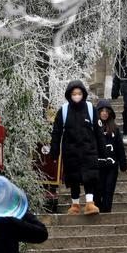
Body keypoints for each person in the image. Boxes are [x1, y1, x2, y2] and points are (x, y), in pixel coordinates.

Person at [50, 80, 109, 215]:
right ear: (69, 95)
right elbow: (56, 132)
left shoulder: (90, 109)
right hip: (70, 151)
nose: (77, 96)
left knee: (90, 177)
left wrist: (103, 152)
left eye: (79, 93)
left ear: (83, 94)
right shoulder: (63, 111)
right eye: (74, 93)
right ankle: (75, 204)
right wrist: (55, 151)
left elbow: (99, 132)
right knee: (73, 178)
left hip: (89, 150)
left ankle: (90, 203)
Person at [95, 98, 127, 213]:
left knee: (109, 188)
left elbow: (120, 147)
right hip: (97, 164)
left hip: (112, 165)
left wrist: (123, 163)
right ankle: (97, 209)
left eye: (106, 111)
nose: (104, 113)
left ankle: (107, 211)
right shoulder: (93, 128)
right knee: (98, 189)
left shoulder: (115, 129)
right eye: (102, 111)